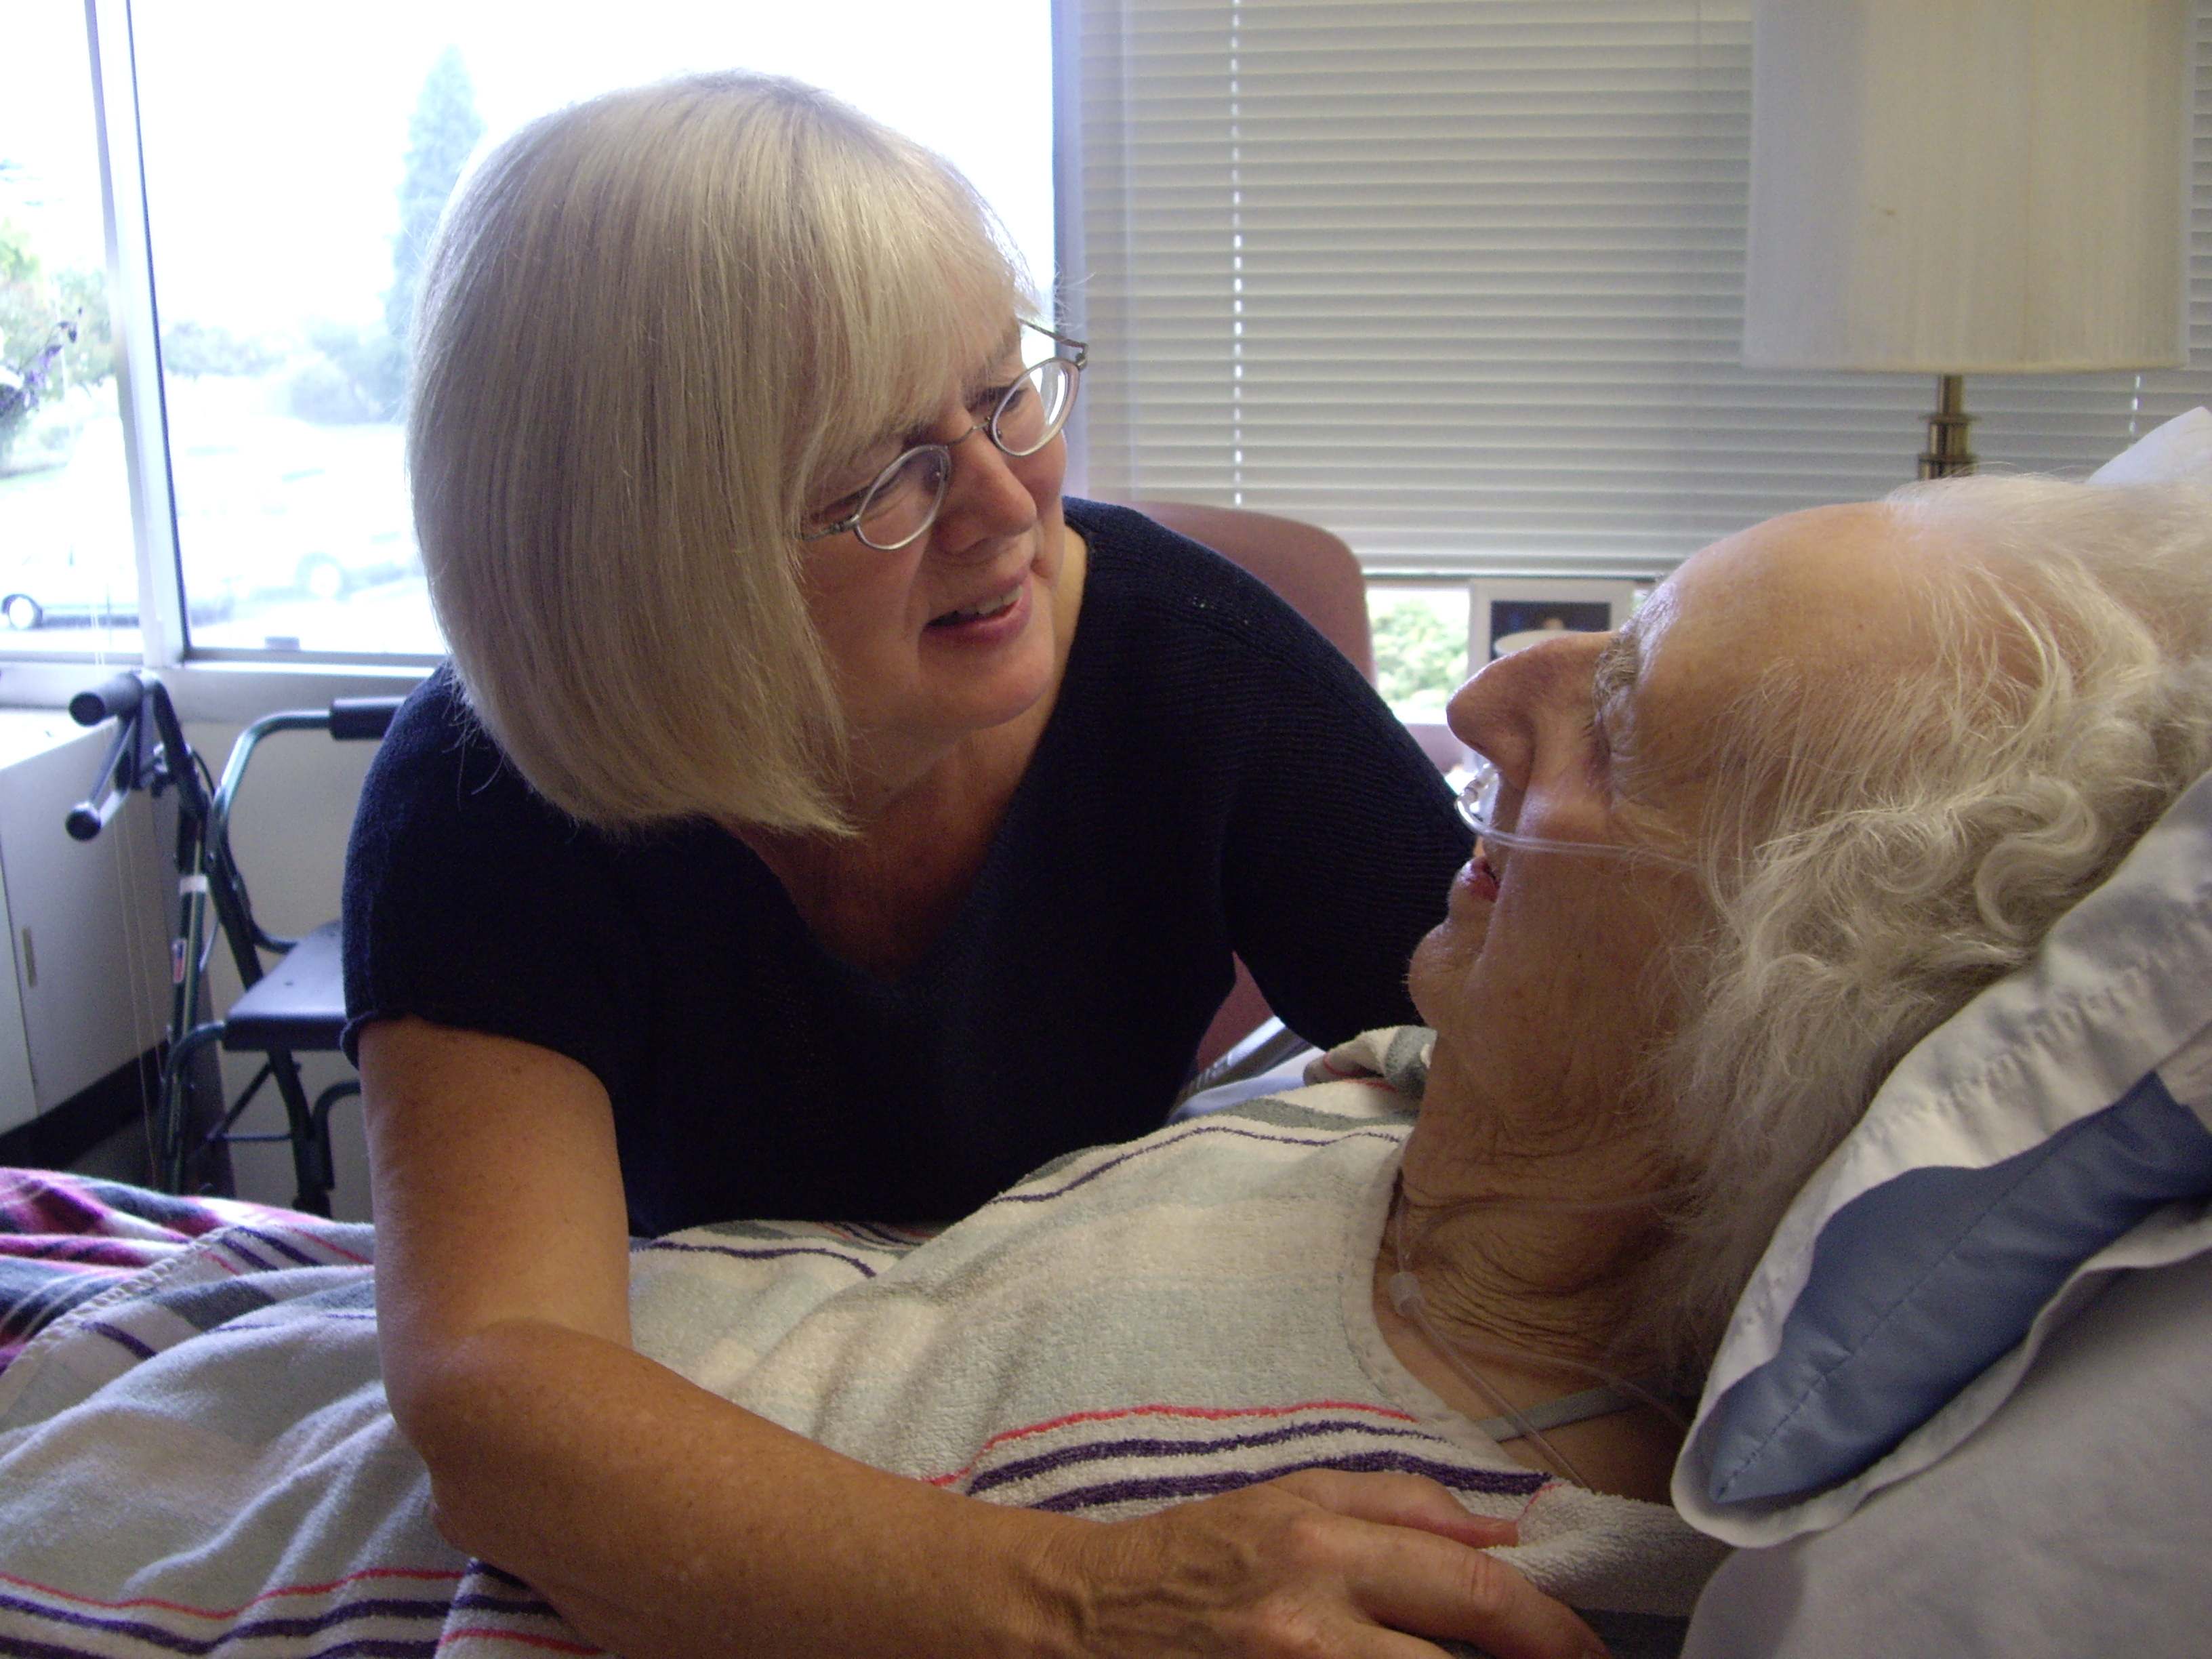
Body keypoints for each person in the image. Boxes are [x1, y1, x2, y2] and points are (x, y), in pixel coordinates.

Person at [9, 462, 2207, 1657]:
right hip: (320, 1387)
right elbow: (486, 1381)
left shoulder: (1367, 1541)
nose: (1475, 698)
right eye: (863, 463)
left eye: (1617, 707)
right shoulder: (1435, 1078)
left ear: (1746, 986)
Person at [339, 66, 1494, 1659]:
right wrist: (1084, 1606)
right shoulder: (486, 799)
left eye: (1007, 391)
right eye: (888, 474)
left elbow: (1537, 1104)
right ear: (651, 549)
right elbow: (496, 1386)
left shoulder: (1205, 670)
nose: (1014, 500)